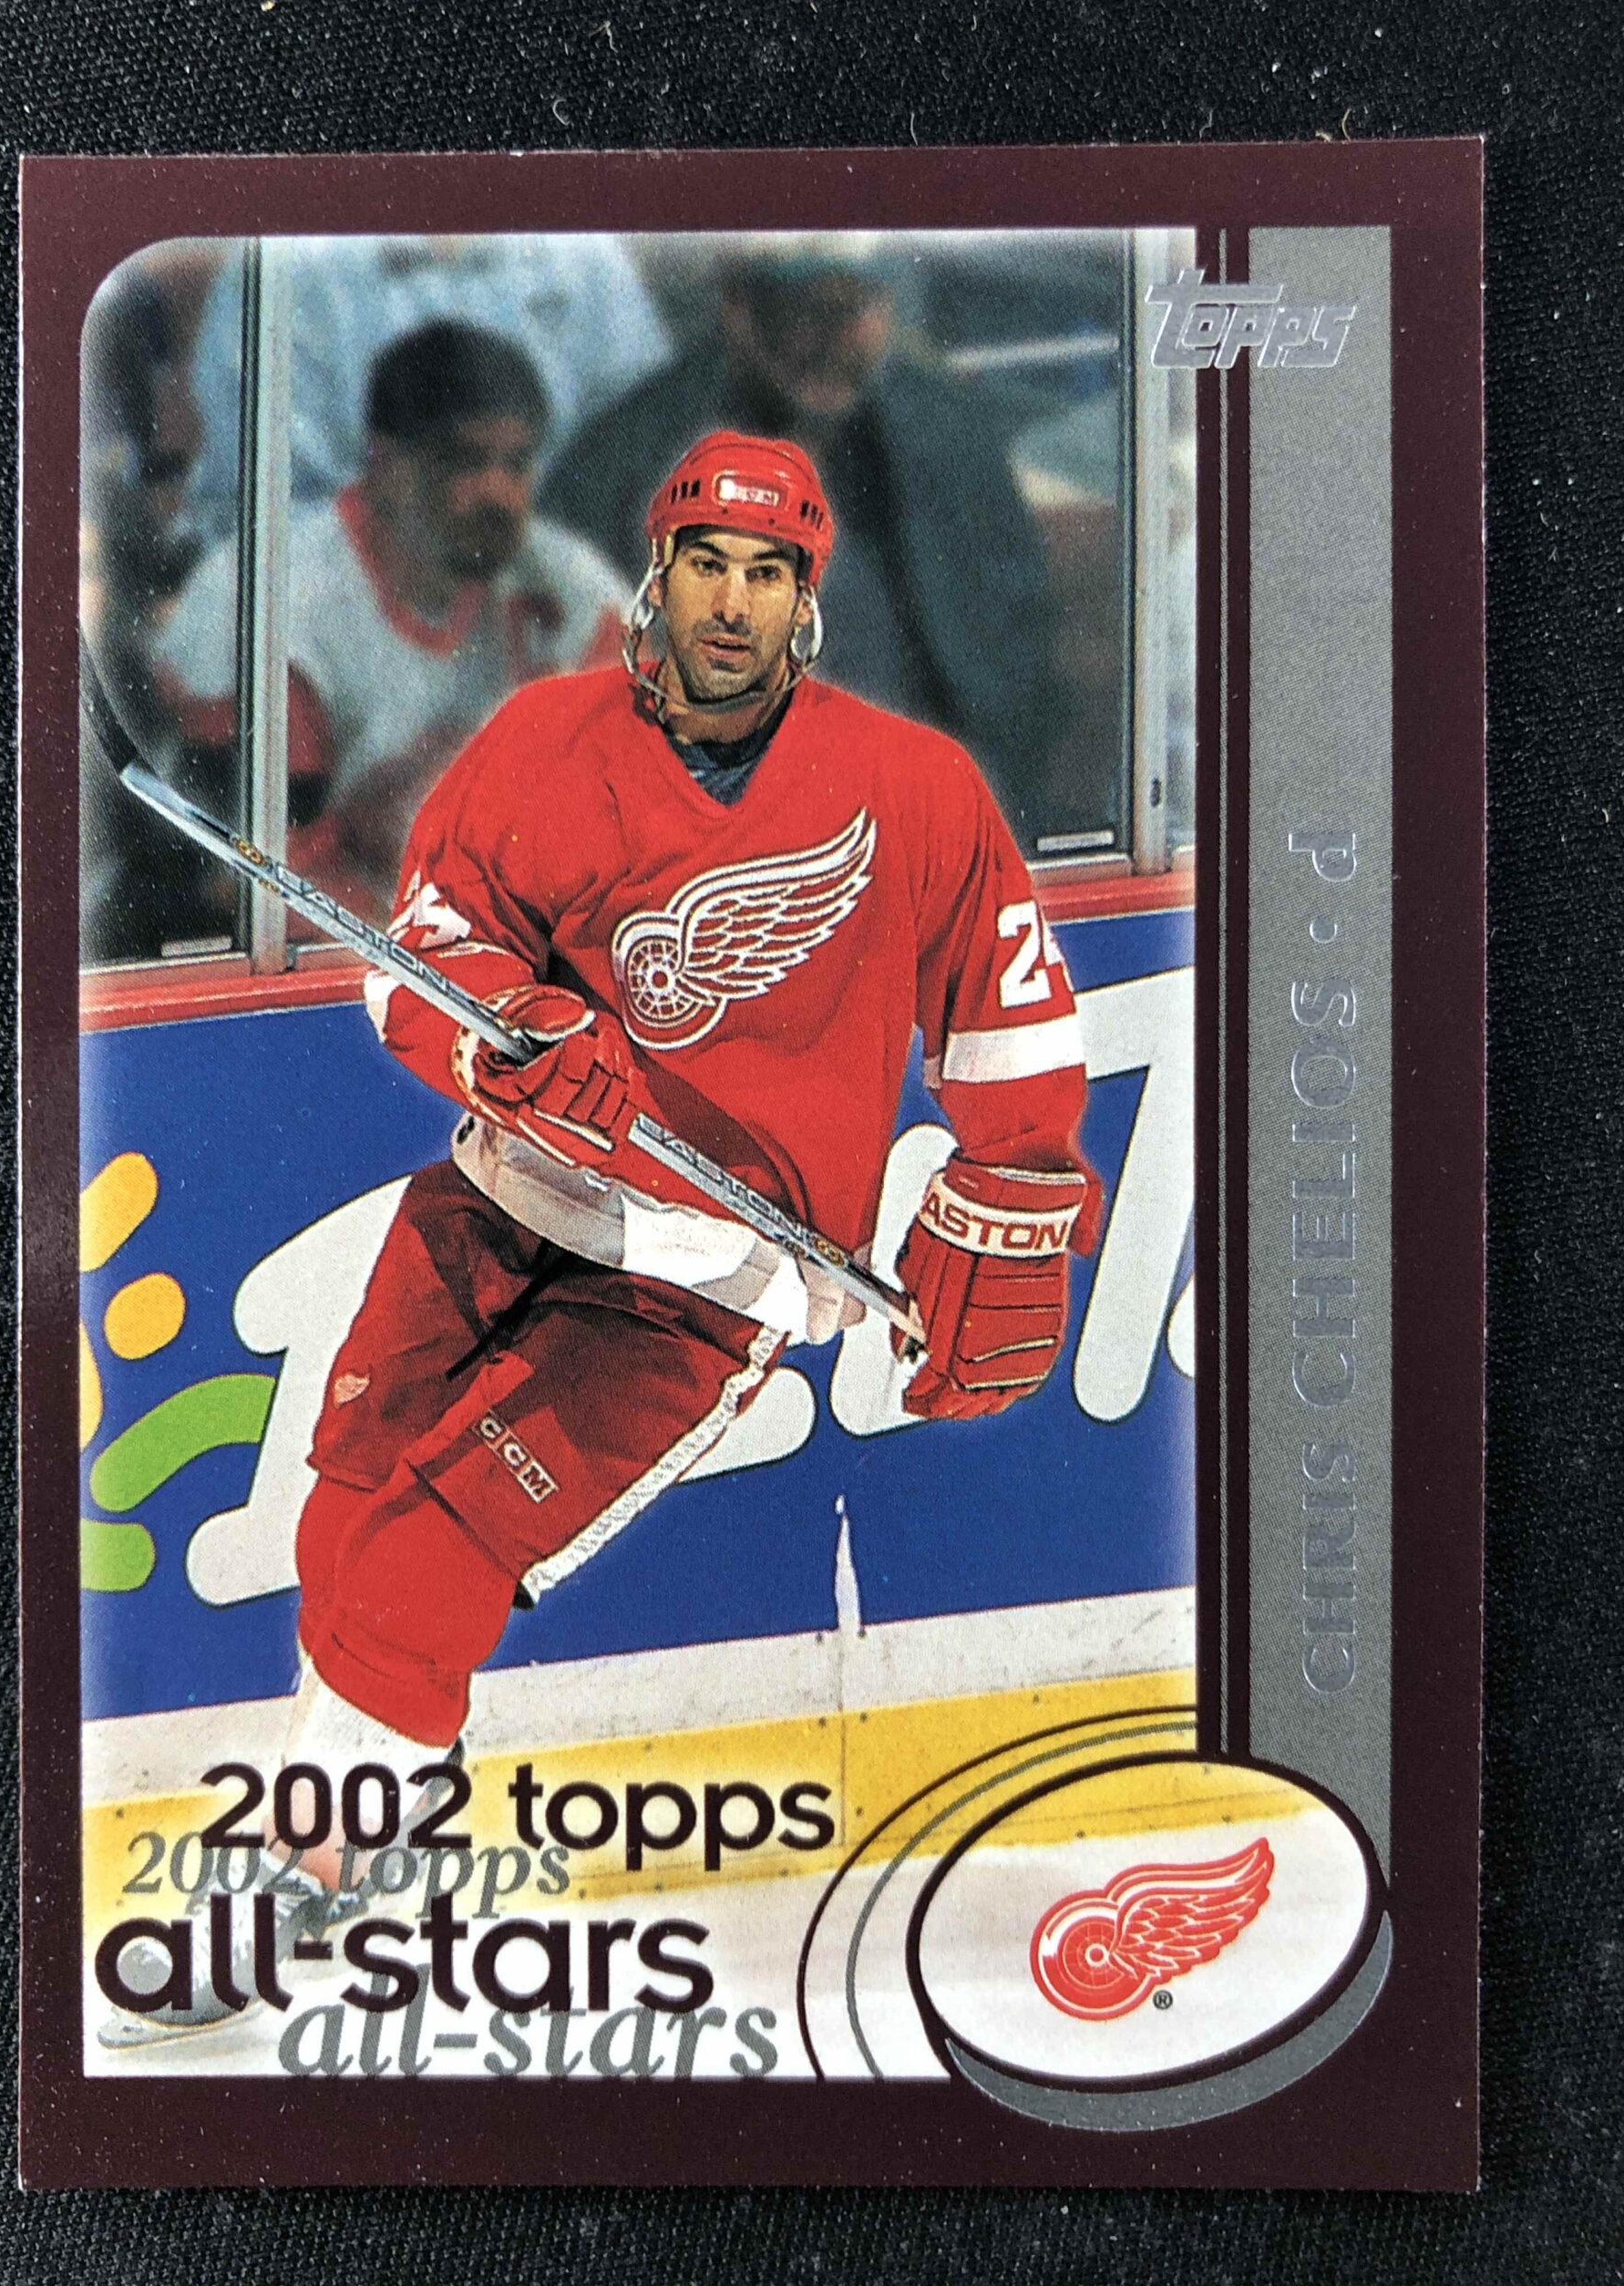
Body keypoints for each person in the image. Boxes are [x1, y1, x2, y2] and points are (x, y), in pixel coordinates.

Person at [99, 431, 1101, 2044]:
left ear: (806, 599)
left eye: (767, 572)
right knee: (345, 1526)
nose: (733, 601)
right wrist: (510, 1034)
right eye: (706, 563)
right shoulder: (545, 739)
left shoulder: (913, 789)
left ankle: (298, 1875)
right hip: (502, 1199)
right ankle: (384, 1823)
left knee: (425, 1554)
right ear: (658, 575)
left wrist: (1022, 1191)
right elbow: (425, 953)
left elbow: (1010, 1016)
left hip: (697, 1284)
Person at [543, 243, 1098, 836]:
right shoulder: (625, 467)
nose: (834, 342)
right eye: (809, 311)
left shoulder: (944, 434)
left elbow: (1018, 662)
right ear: (739, 307)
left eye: (853, 311)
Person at [151, 321, 629, 919]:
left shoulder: (567, 584)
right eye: (465, 462)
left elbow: (657, 793)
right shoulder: (265, 601)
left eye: (517, 464)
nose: (499, 494)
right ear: (386, 463)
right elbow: (239, 888)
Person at [180, 232, 672, 551]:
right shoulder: (284, 269)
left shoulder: (588, 259)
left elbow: (645, 467)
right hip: (350, 611)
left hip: (553, 609)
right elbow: (263, 524)